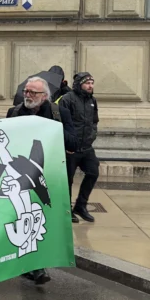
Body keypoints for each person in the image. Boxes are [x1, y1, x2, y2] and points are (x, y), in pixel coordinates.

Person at [6, 76, 77, 286]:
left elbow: (73, 142)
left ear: (44, 96)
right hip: (22, 177)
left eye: (32, 93)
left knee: (45, 220)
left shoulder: (59, 113)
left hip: (49, 177)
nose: (27, 95)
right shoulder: (15, 112)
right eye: (26, 91)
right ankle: (36, 267)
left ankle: (35, 263)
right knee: (26, 216)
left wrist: (51, 129)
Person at [57, 72, 100, 223]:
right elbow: (61, 123)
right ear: (79, 84)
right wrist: (67, 143)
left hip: (87, 147)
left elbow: (94, 121)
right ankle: (67, 209)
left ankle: (81, 205)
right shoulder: (67, 100)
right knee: (67, 180)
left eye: (92, 83)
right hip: (71, 149)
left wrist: (92, 136)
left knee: (93, 172)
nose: (90, 86)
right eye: (87, 83)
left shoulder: (92, 100)